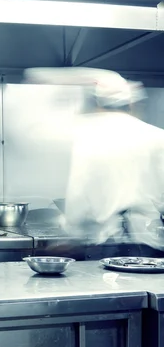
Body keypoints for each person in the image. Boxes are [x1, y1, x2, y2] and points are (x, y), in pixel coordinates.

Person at [23, 67, 164, 249]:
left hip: (108, 244)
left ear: (98, 104)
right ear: (131, 105)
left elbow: (80, 199)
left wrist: (71, 231)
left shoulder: (88, 135)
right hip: (150, 244)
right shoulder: (158, 136)